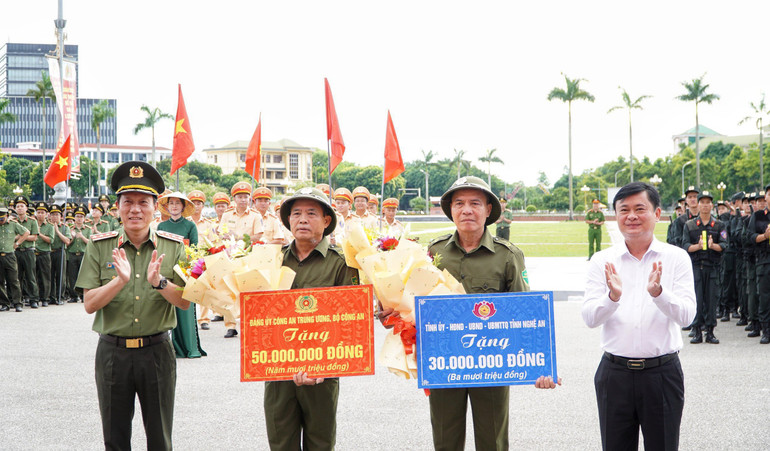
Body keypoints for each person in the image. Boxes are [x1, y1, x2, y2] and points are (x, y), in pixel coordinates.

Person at [423, 176, 558, 450]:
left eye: (475, 203)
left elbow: (527, 316)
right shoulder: (433, 252)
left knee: (492, 441)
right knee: (445, 440)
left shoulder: (507, 255)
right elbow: (417, 303)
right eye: (459, 203)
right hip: (445, 365)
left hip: (493, 366)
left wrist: (543, 367)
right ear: (451, 210)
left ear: (488, 210)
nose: (467, 210)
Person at [76, 161, 189, 450]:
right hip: (112, 354)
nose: (135, 210)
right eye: (128, 202)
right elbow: (89, 304)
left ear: (156, 208)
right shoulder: (99, 245)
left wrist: (160, 283)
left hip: (157, 352)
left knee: (160, 437)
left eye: (143, 202)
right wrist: (118, 282)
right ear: (118, 207)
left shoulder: (174, 246)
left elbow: (186, 302)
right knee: (115, 438)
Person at [582, 182, 696, 450]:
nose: (631, 216)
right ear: (616, 215)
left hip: (662, 374)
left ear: (657, 214)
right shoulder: (602, 260)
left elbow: (687, 317)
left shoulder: (676, 258)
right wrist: (612, 298)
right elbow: (589, 318)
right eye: (624, 210)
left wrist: (659, 294)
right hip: (614, 374)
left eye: (639, 208)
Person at [264, 187, 358, 450]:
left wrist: (323, 365)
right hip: (277, 370)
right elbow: (258, 316)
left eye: (311, 213)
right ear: (288, 220)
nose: (302, 219)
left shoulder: (343, 263)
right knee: (281, 442)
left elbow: (350, 322)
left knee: (320, 443)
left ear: (326, 221)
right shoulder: (272, 260)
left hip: (323, 373)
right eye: (296, 213)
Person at [158, 191, 205, 359]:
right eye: (171, 203)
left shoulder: (190, 226)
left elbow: (195, 249)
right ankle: (170, 346)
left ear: (183, 207)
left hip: (184, 271)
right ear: (167, 206)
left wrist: (190, 270)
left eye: (178, 203)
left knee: (185, 308)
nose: (174, 206)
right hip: (166, 270)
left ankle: (190, 347)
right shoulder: (161, 227)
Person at [218, 181, 263, 337]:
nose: (243, 200)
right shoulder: (226, 215)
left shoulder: (255, 216)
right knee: (229, 291)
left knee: (248, 290)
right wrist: (226, 237)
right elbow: (220, 232)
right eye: (240, 197)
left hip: (248, 256)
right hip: (230, 256)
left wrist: (240, 239)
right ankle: (231, 325)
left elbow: (258, 235)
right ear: (234, 199)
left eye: (245, 197)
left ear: (250, 198)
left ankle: (248, 322)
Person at [682, 190, 726, 344]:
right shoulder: (690, 225)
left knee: (711, 299)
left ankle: (710, 332)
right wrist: (698, 246)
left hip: (712, 267)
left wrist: (713, 246)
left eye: (708, 202)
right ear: (698, 205)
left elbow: (724, 245)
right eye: (703, 202)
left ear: (711, 205)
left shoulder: (719, 224)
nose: (705, 205)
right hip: (696, 267)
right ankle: (697, 330)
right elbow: (685, 246)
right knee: (697, 299)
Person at [746, 186, 770, 343]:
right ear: (766, 198)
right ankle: (766, 330)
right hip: (764, 260)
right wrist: (764, 236)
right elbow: (749, 236)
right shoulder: (758, 216)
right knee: (765, 298)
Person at [0, 207, 28, 312]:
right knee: (0, 281)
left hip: (9, 256)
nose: (1, 222)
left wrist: (17, 243)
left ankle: (17, 303)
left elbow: (26, 232)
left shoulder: (13, 224)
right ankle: (4, 303)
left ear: (6, 216)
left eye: (2, 220)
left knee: (14, 280)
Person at [13, 196, 39, 308]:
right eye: (17, 206)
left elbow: (34, 237)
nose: (20, 208)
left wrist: (22, 237)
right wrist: (23, 236)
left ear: (26, 208)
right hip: (16, 251)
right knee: (17, 277)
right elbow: (11, 237)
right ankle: (18, 299)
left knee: (30, 276)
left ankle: (34, 299)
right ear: (15, 209)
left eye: (22, 206)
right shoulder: (12, 222)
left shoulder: (32, 221)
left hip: (28, 251)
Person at [66, 205, 91, 303]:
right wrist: (72, 236)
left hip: (83, 254)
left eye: (81, 216)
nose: (79, 218)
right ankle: (73, 295)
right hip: (72, 254)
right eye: (77, 216)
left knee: (83, 275)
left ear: (84, 218)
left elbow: (90, 242)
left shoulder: (88, 229)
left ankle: (84, 295)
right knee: (72, 276)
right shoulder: (70, 228)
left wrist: (81, 237)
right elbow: (68, 243)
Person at [48, 204, 71, 305]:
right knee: (50, 275)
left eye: (57, 214)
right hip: (49, 252)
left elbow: (67, 241)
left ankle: (60, 296)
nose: (54, 217)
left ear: (61, 216)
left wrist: (57, 231)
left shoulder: (65, 227)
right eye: (52, 214)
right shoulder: (47, 226)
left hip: (60, 252)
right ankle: (51, 296)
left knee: (61, 275)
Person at [34, 202, 54, 307]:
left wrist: (39, 234)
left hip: (44, 253)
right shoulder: (33, 223)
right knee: (33, 277)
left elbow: (51, 240)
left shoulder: (50, 226)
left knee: (45, 277)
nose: (40, 214)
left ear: (46, 214)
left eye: (42, 212)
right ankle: (34, 297)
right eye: (38, 212)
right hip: (33, 253)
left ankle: (45, 298)